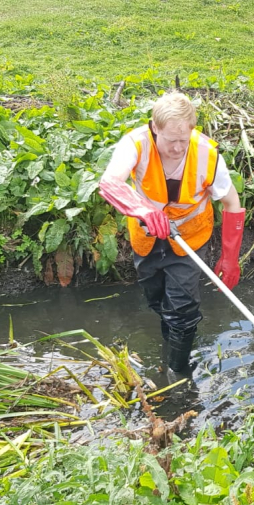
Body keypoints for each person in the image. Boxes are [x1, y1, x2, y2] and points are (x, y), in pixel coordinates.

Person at [98, 92, 245, 381]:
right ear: (155, 128)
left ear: (192, 129)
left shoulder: (207, 154)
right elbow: (109, 183)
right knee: (157, 301)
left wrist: (230, 259)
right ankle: (172, 342)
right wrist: (142, 210)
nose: (178, 148)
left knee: (182, 308)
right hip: (147, 238)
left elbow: (232, 203)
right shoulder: (136, 143)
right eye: (170, 140)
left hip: (190, 240)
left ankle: (178, 374)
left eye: (184, 139)